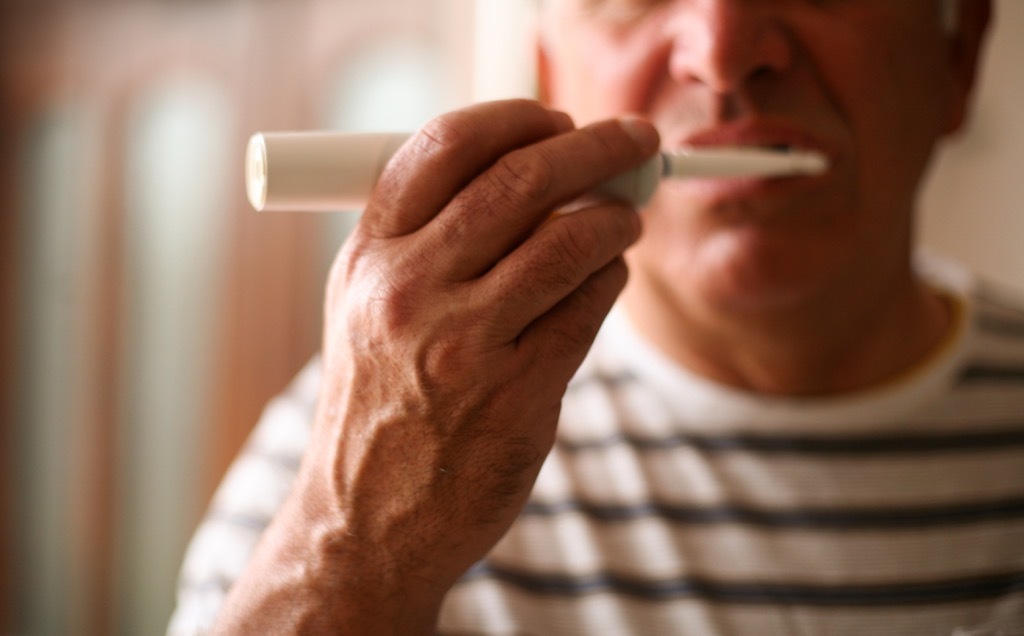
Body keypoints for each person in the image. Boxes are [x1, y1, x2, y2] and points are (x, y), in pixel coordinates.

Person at [169, 0, 1024, 633]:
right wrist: (354, 553)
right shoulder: (352, 449)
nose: (723, 53)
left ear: (962, 58)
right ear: (550, 77)